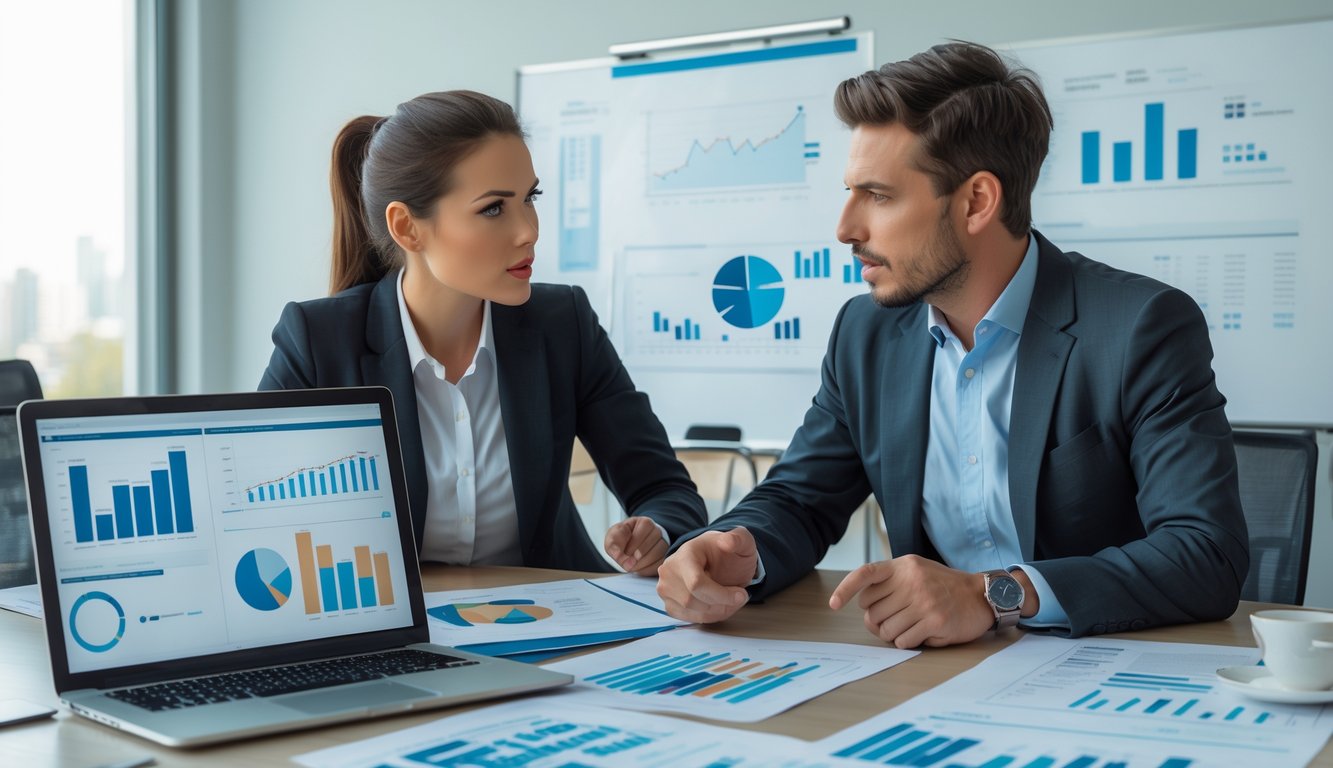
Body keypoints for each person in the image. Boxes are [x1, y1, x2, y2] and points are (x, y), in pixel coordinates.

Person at [656, 42, 1249, 646]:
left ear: (976, 202)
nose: (845, 229)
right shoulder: (867, 335)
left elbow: (1205, 553)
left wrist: (994, 593)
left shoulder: (1140, 327)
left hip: (1104, 672)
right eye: (849, 192)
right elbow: (801, 500)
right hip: (936, 677)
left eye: (879, 196)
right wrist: (735, 548)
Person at [260, 90, 706, 574]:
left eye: (529, 199)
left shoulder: (563, 323)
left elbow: (664, 488)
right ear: (407, 227)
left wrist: (655, 531)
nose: (529, 231)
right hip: (403, 634)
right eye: (494, 208)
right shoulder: (317, 342)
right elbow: (255, 518)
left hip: (554, 624)